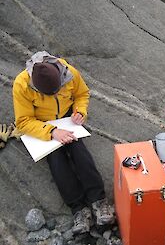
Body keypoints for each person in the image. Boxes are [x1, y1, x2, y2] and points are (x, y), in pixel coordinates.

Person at [12, 51, 114, 234]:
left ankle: (99, 201)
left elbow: (82, 94)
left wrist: (80, 112)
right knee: (57, 161)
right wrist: (51, 132)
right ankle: (79, 210)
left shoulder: (70, 73)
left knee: (80, 152)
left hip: (67, 119)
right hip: (41, 124)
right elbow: (24, 121)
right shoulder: (21, 85)